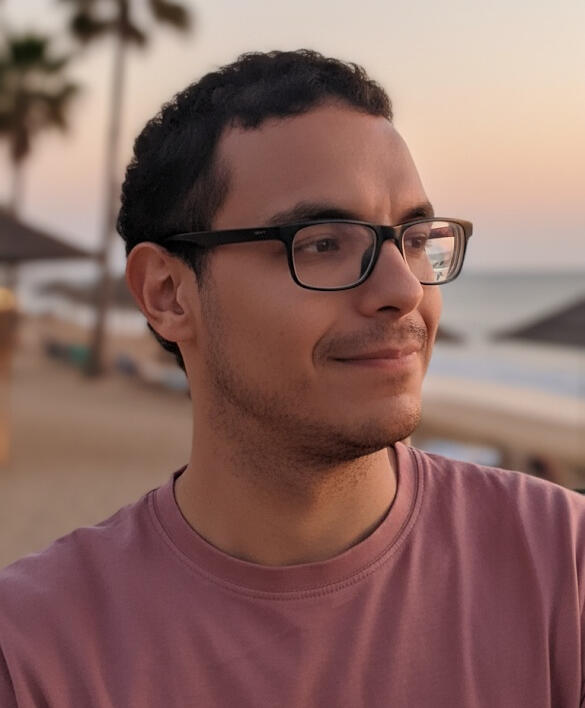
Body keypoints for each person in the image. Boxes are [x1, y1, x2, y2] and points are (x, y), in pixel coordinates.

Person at [0, 49, 584, 707]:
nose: (403, 291)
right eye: (322, 243)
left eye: (415, 239)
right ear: (167, 293)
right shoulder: (33, 652)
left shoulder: (563, 567)